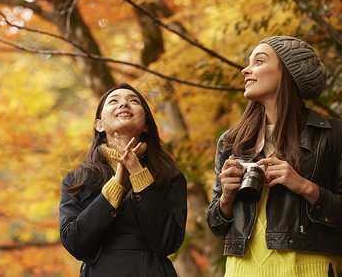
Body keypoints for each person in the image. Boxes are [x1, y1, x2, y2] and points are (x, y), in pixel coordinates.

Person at [207, 36, 342, 276]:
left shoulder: (333, 136)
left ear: (288, 73)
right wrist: (226, 197)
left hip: (309, 267)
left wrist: (303, 186)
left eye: (259, 61)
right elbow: (217, 226)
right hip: (243, 268)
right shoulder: (231, 141)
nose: (245, 70)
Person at [59, 83, 187, 276]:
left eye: (133, 101)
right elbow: (74, 242)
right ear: (99, 124)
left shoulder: (169, 175)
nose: (124, 104)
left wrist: (138, 173)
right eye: (114, 101)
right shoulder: (77, 179)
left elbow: (169, 242)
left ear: (146, 126)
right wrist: (116, 184)